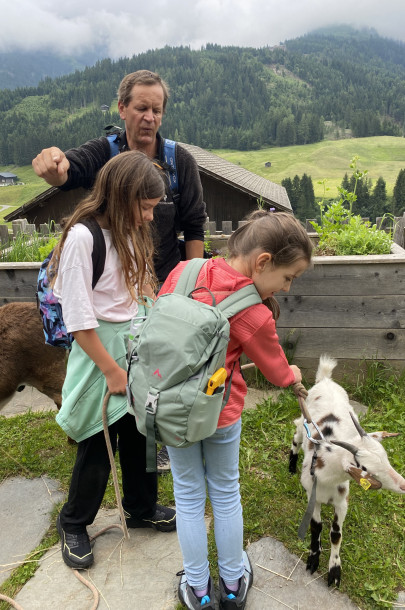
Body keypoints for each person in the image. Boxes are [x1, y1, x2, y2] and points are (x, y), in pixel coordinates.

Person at [32, 69, 207, 473]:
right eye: (142, 107)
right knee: (124, 381)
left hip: (161, 287)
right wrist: (55, 168)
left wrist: (191, 288)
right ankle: (101, 434)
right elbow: (70, 169)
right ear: (122, 108)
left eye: (157, 110)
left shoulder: (179, 161)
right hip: (113, 298)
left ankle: (153, 439)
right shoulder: (103, 155)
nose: (150, 117)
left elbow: (194, 225)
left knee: (160, 371)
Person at [159, 210, 313, 609]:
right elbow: (277, 371)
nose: (287, 286)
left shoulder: (184, 272)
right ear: (263, 262)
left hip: (172, 409)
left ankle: (196, 587)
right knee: (225, 492)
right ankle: (230, 584)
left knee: (188, 496)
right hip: (219, 413)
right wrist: (291, 371)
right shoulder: (253, 311)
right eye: (288, 277)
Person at [50, 151, 176, 570]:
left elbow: (138, 291)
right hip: (100, 357)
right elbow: (79, 320)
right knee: (97, 443)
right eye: (145, 207)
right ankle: (73, 523)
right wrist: (110, 369)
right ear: (122, 197)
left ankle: (140, 509)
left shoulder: (129, 233)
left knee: (143, 435)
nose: (149, 217)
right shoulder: (83, 239)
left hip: (134, 350)